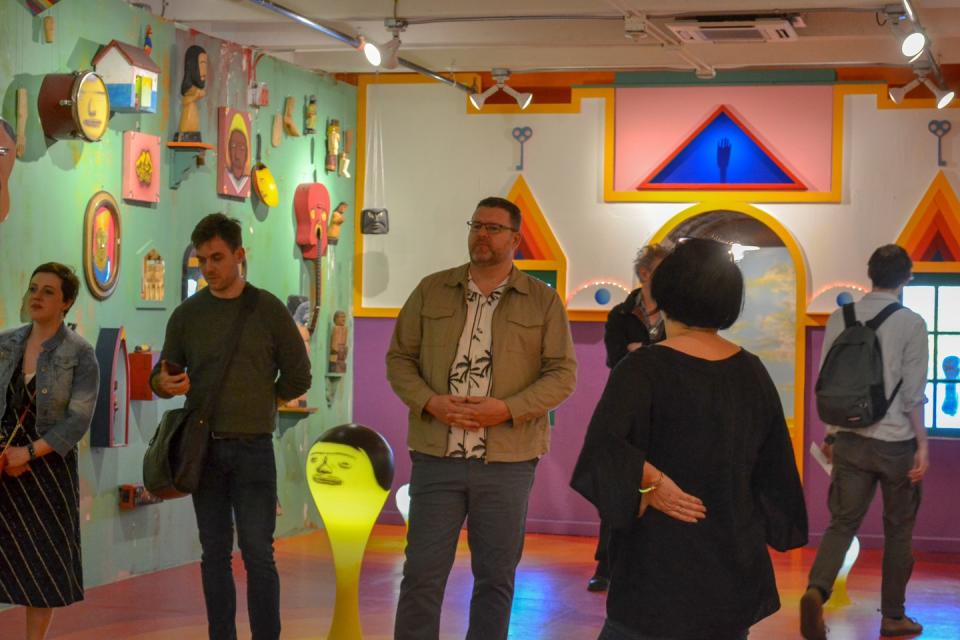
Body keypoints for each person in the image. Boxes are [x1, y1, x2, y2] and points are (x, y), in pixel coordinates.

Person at [571, 238, 808, 640]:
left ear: (666, 293)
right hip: (729, 569)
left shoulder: (642, 367)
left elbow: (601, 454)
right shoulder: (752, 372)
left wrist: (650, 481)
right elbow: (775, 479)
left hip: (656, 572)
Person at [387, 196, 577, 640]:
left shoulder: (542, 302)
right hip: (437, 456)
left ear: (515, 239)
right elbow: (399, 360)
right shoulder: (430, 290)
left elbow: (563, 375)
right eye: (477, 225)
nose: (482, 235)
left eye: (494, 228)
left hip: (509, 463)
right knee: (421, 576)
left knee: (494, 580)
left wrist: (507, 409)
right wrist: (429, 401)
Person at [150, 214, 311, 640]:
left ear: (240, 255)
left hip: (254, 450)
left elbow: (299, 376)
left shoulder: (268, 310)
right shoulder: (187, 315)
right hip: (204, 451)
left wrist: (262, 399)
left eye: (217, 258)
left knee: (259, 553)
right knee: (214, 553)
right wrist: (161, 382)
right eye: (202, 260)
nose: (209, 268)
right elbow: (164, 374)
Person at [800, 244, 929, 640]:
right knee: (898, 530)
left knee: (842, 524)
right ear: (906, 278)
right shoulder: (911, 322)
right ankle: (893, 616)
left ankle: (815, 592)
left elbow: (829, 380)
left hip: (850, 440)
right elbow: (912, 393)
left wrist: (830, 436)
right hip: (895, 444)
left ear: (870, 274)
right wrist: (922, 446)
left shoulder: (842, 315)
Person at [0, 263, 99, 640]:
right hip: (3, 462)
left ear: (66, 302)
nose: (36, 297)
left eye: (48, 291)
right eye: (33, 288)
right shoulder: (6, 343)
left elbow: (77, 420)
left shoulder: (80, 354)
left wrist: (30, 452)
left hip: (45, 470)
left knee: (39, 563)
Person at [589, 243, 670, 592]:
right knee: (618, 487)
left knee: (663, 485)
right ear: (646, 274)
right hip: (625, 413)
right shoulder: (621, 314)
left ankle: (657, 565)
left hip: (668, 413)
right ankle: (606, 566)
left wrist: (640, 352)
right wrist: (649, 355)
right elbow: (615, 360)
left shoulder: (680, 314)